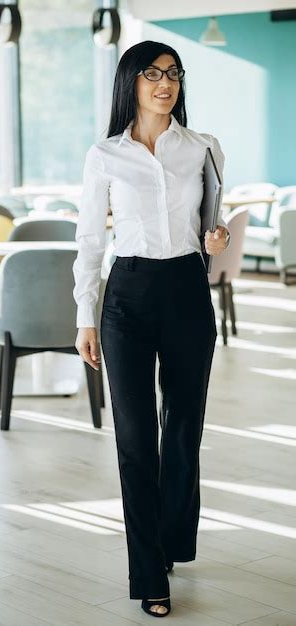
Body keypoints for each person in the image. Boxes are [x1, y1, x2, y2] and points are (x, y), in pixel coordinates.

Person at [73, 40, 230, 619]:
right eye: (152, 74)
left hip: (187, 292)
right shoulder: (104, 155)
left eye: (173, 74)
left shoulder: (203, 148)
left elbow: (212, 225)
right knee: (136, 440)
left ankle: (171, 542)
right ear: (130, 83)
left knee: (183, 429)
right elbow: (89, 240)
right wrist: (84, 315)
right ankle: (148, 574)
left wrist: (218, 241)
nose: (165, 84)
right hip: (128, 297)